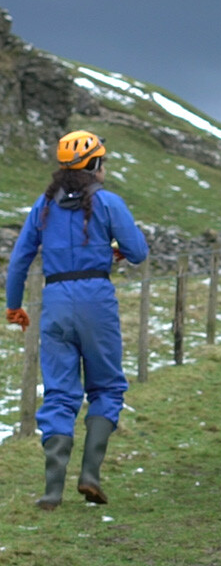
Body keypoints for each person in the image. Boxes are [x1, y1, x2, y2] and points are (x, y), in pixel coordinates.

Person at [6, 130, 148, 510]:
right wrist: (112, 247)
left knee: (59, 393)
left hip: (54, 300)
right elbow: (137, 251)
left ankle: (52, 491)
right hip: (96, 300)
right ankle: (90, 476)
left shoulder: (43, 205)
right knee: (106, 387)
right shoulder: (108, 202)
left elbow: (20, 259)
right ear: (95, 165)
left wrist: (14, 305)